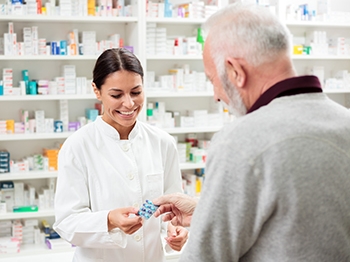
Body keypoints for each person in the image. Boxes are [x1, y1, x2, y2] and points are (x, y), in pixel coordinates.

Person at [153, 3, 350, 262]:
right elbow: (301, 225)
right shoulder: (345, 122)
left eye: (214, 81)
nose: (216, 96)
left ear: (236, 71)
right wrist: (205, 214)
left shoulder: (240, 142)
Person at [53, 48, 188, 262]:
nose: (129, 104)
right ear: (96, 91)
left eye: (136, 92)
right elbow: (67, 222)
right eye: (116, 95)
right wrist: (108, 220)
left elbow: (173, 206)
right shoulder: (78, 146)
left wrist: (176, 228)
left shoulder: (163, 143)